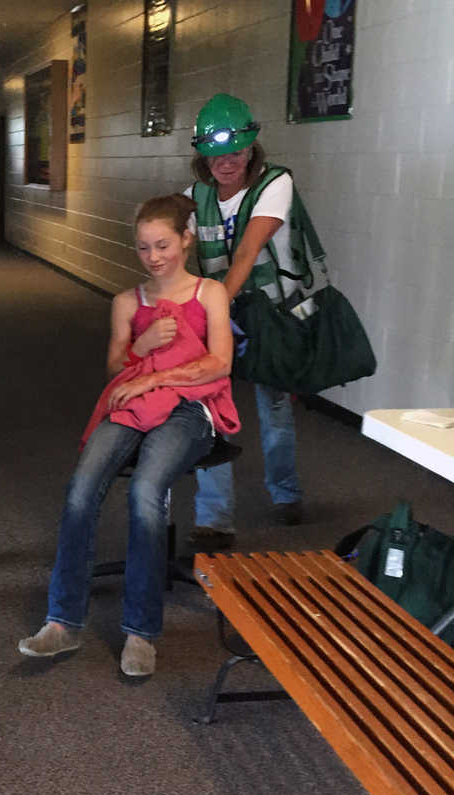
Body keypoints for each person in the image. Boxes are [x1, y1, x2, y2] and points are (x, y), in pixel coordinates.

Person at [18, 194, 238, 677]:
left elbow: (220, 362)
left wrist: (155, 376)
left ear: (186, 239)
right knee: (80, 490)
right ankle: (62, 622)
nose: (154, 257)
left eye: (163, 245)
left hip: (189, 410)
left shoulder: (209, 294)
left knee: (145, 491)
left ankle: (141, 631)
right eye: (143, 248)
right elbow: (115, 367)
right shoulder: (127, 302)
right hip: (132, 405)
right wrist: (140, 347)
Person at [184, 93, 305, 554]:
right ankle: (214, 519)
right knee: (213, 413)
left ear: (252, 149)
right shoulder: (192, 198)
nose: (225, 163)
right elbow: (174, 248)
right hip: (222, 318)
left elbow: (248, 252)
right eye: (215, 154)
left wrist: (211, 306)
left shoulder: (276, 184)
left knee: (273, 408)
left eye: (235, 153)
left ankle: (287, 493)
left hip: (268, 315)